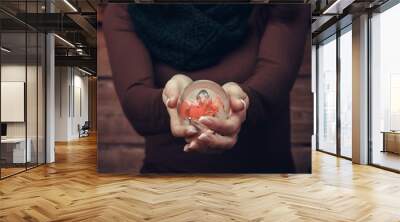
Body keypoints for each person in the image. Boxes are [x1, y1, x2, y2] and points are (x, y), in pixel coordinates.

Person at [103, 4, 310, 173]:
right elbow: (135, 100)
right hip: (168, 188)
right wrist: (174, 102)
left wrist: (239, 104)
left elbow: (275, 79)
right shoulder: (129, 8)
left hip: (267, 186)